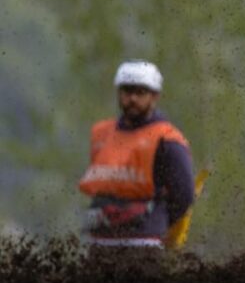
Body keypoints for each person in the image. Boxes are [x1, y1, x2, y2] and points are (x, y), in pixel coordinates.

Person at [78, 60, 195, 248]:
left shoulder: (167, 139)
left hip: (143, 241)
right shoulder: (102, 133)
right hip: (99, 239)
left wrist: (158, 223)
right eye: (127, 91)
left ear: (154, 96)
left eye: (140, 93)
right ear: (119, 93)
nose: (132, 98)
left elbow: (184, 195)